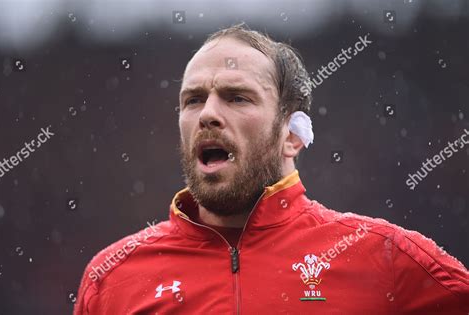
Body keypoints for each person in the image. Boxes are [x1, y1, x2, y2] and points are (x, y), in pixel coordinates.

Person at [74, 23, 468, 314]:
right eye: (193, 100)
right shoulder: (112, 279)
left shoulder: (388, 259)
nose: (208, 113)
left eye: (237, 97)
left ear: (292, 135)